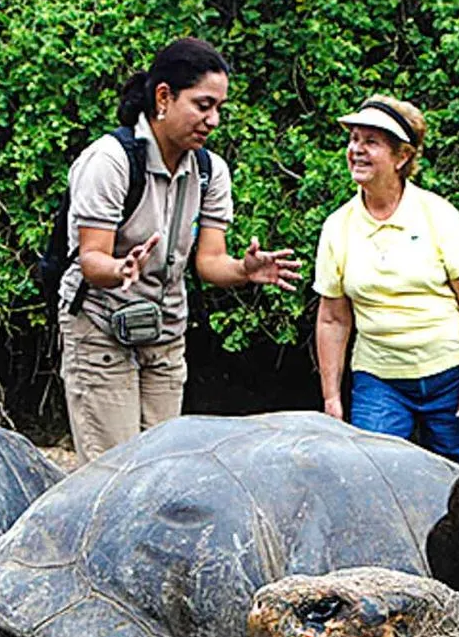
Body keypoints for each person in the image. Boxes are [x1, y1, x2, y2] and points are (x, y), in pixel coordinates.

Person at [57, 37, 302, 463]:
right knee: (113, 471)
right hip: (99, 329)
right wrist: (120, 268)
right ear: (164, 98)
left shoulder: (209, 170)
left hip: (165, 332)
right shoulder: (110, 161)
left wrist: (245, 271)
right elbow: (91, 259)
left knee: (164, 468)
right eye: (203, 105)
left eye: (219, 108)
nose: (214, 120)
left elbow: (209, 261)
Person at [313, 95, 459, 466]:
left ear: (401, 157)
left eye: (371, 142)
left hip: (450, 375)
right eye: (354, 140)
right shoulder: (338, 226)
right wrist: (331, 399)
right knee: (373, 475)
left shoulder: (438, 214)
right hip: (380, 379)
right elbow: (333, 317)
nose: (357, 150)